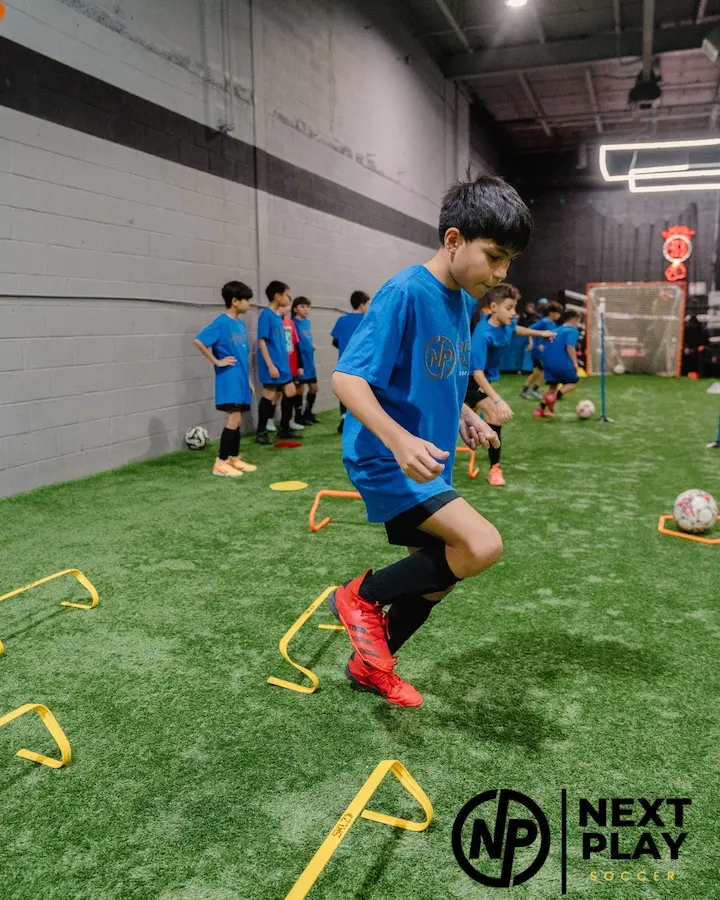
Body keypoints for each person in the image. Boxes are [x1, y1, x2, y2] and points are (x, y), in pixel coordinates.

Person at [328, 174, 532, 707]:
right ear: (454, 239)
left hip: (427, 459)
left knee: (438, 578)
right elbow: (347, 380)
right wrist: (397, 439)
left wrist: (466, 414)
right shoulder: (405, 291)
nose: (502, 272)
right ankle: (358, 597)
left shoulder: (463, 303)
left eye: (510, 260)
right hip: (387, 458)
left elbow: (438, 376)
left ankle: (369, 664)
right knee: (482, 544)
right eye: (495, 256)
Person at [468, 284, 556, 486]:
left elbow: (516, 330)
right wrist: (498, 400)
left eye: (515, 307)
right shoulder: (483, 334)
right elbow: (477, 373)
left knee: (472, 420)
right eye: (509, 308)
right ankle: (494, 469)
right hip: (467, 381)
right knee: (494, 414)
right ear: (494, 307)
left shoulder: (507, 324)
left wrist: (541, 334)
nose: (514, 312)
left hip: (483, 381)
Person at [193, 281, 257, 477]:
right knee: (233, 418)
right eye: (246, 300)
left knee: (238, 420)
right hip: (228, 379)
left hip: (240, 380)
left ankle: (233, 458)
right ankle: (220, 462)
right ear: (235, 301)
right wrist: (216, 361)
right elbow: (199, 340)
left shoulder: (240, 324)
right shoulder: (221, 322)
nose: (249, 304)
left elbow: (242, 354)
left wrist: (248, 381)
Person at [255, 281, 300, 443]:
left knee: (290, 391)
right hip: (273, 364)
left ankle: (284, 429)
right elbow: (262, 342)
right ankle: (261, 432)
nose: (289, 298)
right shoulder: (266, 315)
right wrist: (270, 365)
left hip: (283, 364)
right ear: (277, 296)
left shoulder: (277, 317)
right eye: (287, 295)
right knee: (269, 394)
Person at [331, 290, 370, 432]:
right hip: (363, 364)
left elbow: (335, 341)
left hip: (344, 363)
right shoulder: (367, 320)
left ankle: (343, 418)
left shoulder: (342, 320)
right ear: (362, 304)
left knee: (344, 391)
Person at [534, 309, 582, 417]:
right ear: (575, 320)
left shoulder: (555, 330)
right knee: (573, 382)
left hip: (548, 362)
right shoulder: (572, 331)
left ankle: (540, 411)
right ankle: (556, 396)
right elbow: (570, 346)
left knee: (552, 386)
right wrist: (575, 363)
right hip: (561, 362)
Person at [520, 300, 564, 400]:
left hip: (545, 352)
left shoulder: (553, 324)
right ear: (552, 313)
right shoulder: (544, 322)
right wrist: (532, 343)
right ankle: (531, 389)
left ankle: (528, 389)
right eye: (558, 313)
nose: (559, 316)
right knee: (542, 371)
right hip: (537, 351)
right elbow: (530, 330)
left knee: (538, 372)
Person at [292, 297, 319, 424]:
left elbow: (307, 338)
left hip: (310, 361)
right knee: (300, 389)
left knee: (314, 388)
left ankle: (307, 413)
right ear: (295, 309)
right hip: (300, 362)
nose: (306, 309)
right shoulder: (292, 323)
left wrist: (312, 345)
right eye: (302, 306)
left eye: (307, 306)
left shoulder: (307, 322)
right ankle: (298, 416)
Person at [282, 306, 305, 432]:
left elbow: (296, 344)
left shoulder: (290, 323)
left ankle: (289, 422)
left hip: (292, 364)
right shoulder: (275, 322)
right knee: (274, 394)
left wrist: (299, 365)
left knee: (292, 392)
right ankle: (272, 423)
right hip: (281, 365)